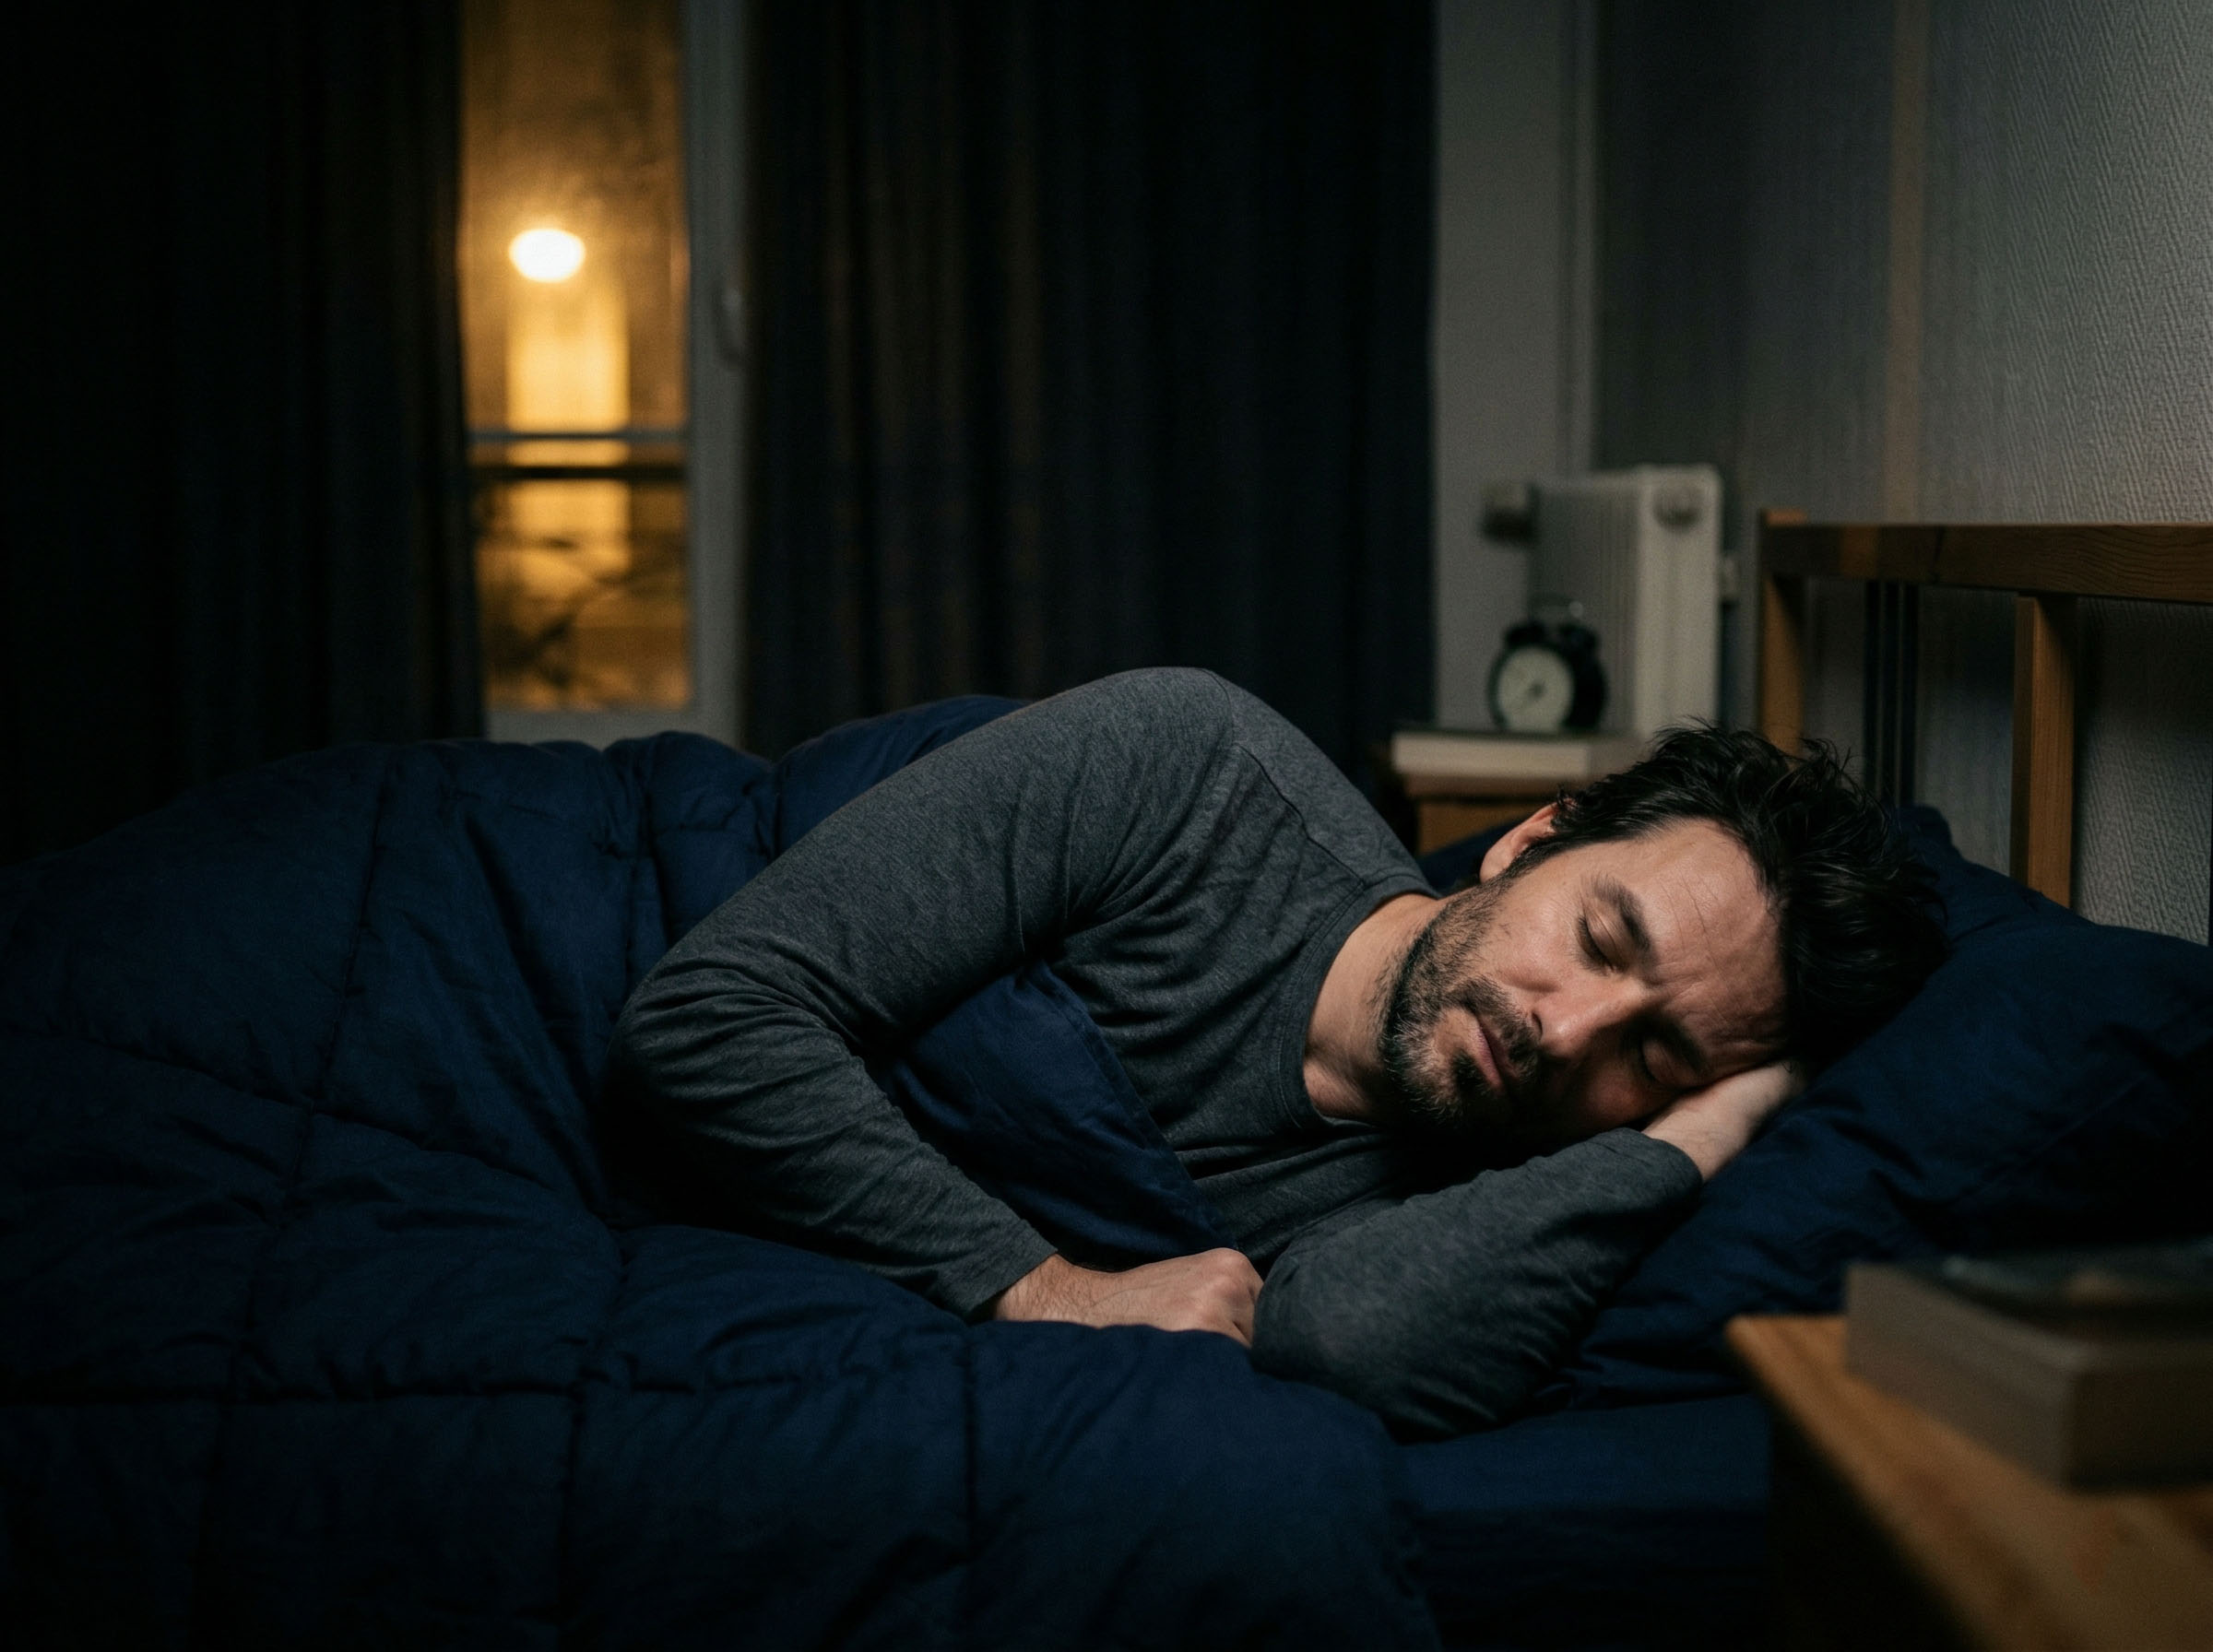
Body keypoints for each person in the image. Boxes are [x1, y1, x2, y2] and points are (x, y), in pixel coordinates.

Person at [609, 668, 1944, 1437]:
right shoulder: (1194, 767)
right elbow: (707, 1017)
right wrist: (1043, 1288)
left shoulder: (1477, 1194)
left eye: (1654, 1055)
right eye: (1600, 938)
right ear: (1531, 842)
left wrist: (1696, 1138)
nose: (1566, 1029)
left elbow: (1343, 1341)